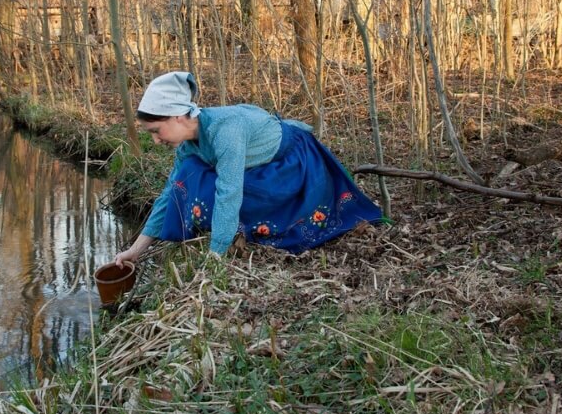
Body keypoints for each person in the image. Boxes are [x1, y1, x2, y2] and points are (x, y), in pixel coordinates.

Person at [114, 71, 383, 267]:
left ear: (178, 116)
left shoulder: (225, 131)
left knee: (216, 188)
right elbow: (168, 194)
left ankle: (260, 222)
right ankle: (236, 226)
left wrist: (215, 256)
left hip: (288, 166)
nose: (155, 140)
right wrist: (135, 250)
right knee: (186, 176)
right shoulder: (188, 145)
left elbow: (229, 192)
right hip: (255, 169)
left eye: (156, 131)